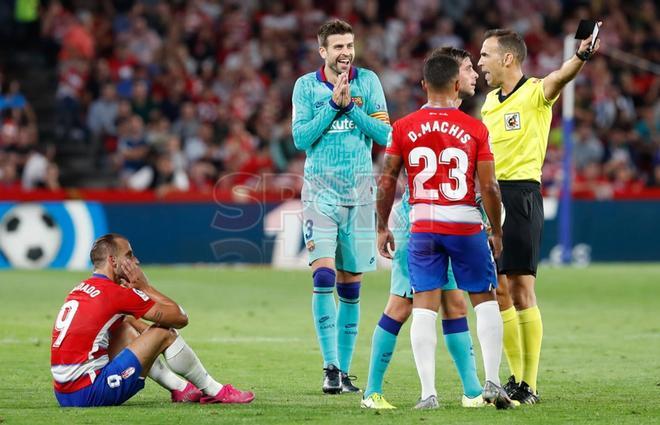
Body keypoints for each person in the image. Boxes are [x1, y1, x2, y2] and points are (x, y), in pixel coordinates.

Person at [362, 47, 503, 410]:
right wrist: (496, 228)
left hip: (423, 223)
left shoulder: (405, 127)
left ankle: (462, 392)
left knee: (449, 304)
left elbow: (388, 177)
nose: (474, 75)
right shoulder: (473, 128)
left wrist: (381, 224)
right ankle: (372, 391)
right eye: (469, 69)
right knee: (405, 304)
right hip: (449, 223)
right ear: (455, 82)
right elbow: (488, 186)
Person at [478, 27, 601, 404]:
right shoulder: (488, 103)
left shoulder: (535, 93)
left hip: (521, 195)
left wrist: (580, 56)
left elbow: (560, 76)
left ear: (508, 58)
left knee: (522, 289)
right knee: (498, 291)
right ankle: (515, 377)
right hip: (491, 197)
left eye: (486, 55)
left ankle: (528, 384)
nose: (480, 61)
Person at [291, 19, 391, 394]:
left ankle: (344, 373)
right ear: (323, 52)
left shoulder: (369, 83)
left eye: (349, 45)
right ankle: (329, 368)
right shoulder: (305, 87)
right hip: (320, 193)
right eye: (338, 47)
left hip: (361, 193)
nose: (346, 52)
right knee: (323, 277)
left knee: (351, 286)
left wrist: (351, 110)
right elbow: (301, 138)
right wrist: (333, 105)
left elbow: (387, 134)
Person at [50, 233, 254, 407]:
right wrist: (145, 288)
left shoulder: (81, 288)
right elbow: (180, 318)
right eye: (129, 256)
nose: (136, 261)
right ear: (113, 261)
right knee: (165, 333)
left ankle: (181, 389)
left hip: (64, 394)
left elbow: (126, 322)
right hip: (89, 393)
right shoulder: (116, 294)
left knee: (126, 324)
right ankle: (214, 391)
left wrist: (147, 340)